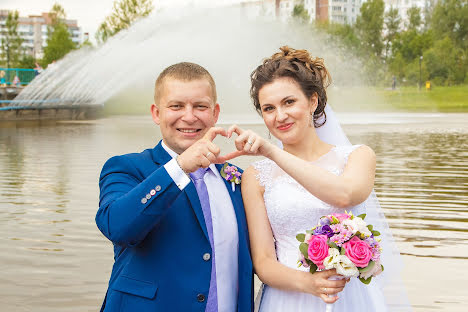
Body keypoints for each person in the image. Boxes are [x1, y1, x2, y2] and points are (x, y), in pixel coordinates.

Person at [226, 47, 411, 311]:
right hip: (287, 298)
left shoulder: (358, 157)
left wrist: (271, 151)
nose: (280, 116)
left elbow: (345, 195)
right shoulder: (256, 176)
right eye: (269, 108)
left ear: (312, 101)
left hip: (349, 298)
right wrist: (309, 283)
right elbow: (264, 262)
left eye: (289, 102)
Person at [95, 62, 253, 311]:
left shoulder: (237, 179)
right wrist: (179, 168)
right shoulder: (126, 167)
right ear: (156, 113)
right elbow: (117, 227)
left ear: (215, 113)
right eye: (176, 106)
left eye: (200, 106)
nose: (189, 116)